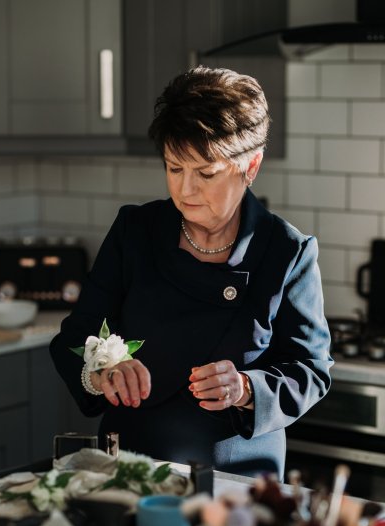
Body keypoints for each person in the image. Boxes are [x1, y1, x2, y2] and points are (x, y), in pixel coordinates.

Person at [50, 66, 332, 479]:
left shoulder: (287, 252)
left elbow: (311, 369)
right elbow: (77, 333)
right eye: (174, 168)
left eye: (206, 173)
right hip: (130, 464)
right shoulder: (135, 231)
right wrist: (101, 371)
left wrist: (247, 388)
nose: (185, 190)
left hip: (237, 477)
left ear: (250, 167)